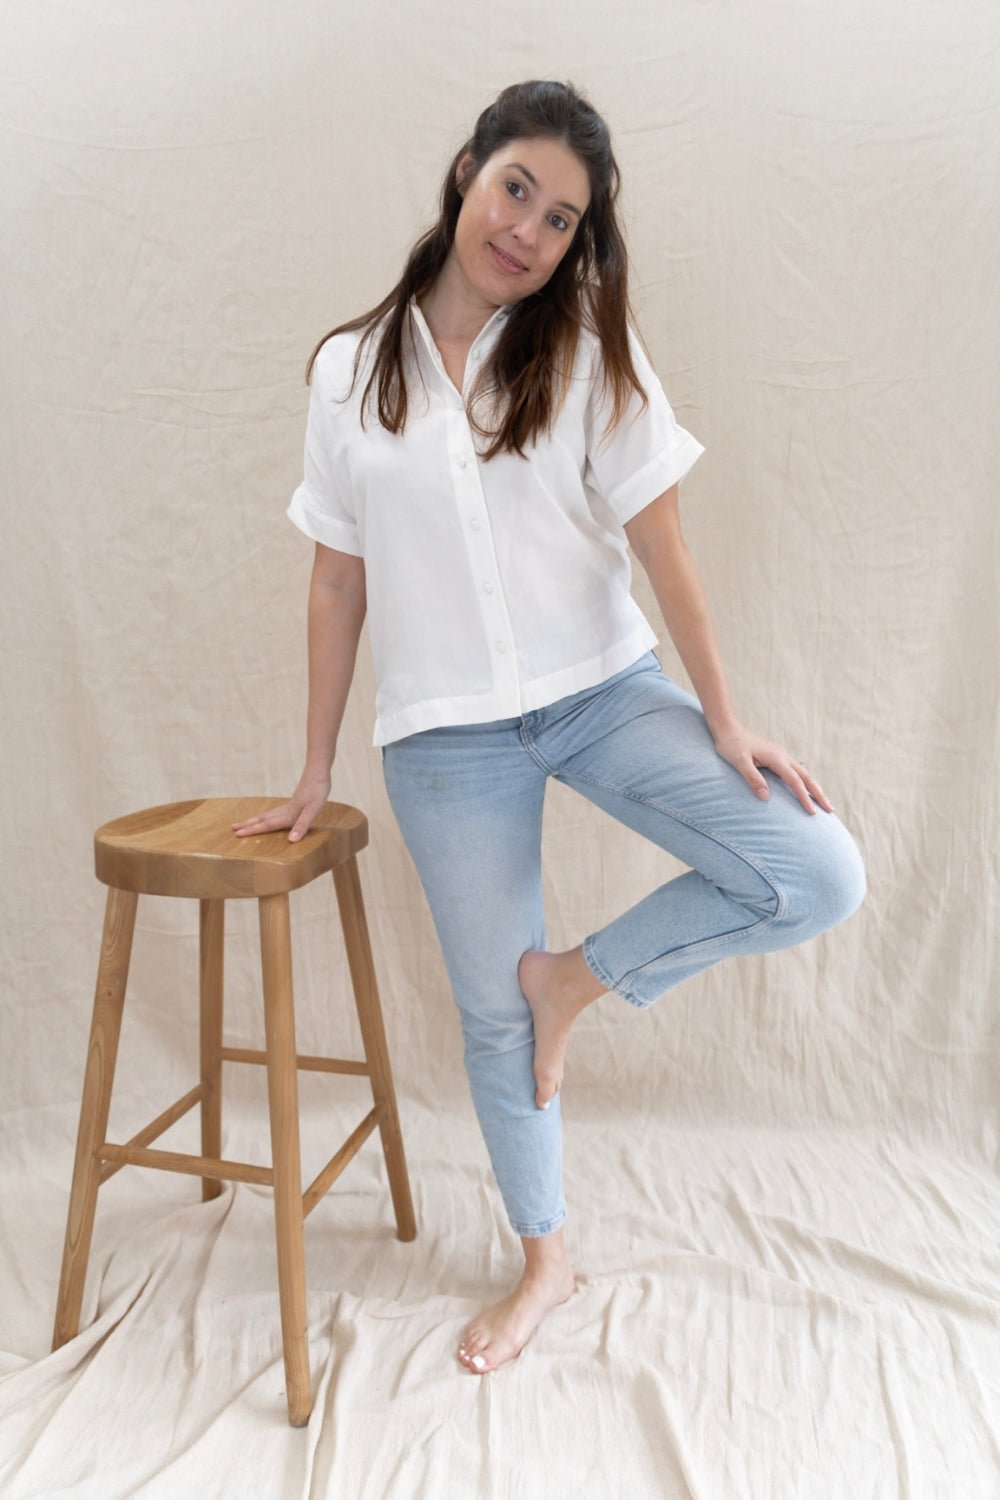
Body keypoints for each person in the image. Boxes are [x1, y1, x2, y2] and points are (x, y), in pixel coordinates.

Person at [232, 79, 867, 1378]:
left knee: (815, 870)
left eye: (561, 218)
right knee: (492, 1017)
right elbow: (339, 581)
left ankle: (574, 980)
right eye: (515, 189)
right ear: (468, 170)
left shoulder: (584, 355)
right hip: (444, 740)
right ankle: (544, 1259)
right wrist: (311, 766)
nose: (526, 230)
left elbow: (665, 545)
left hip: (600, 691)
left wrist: (725, 719)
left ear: (579, 243)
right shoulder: (350, 371)